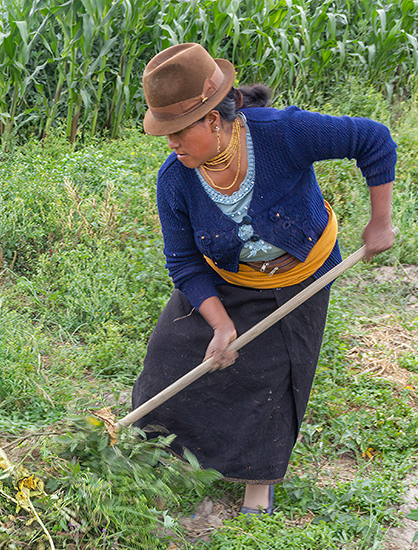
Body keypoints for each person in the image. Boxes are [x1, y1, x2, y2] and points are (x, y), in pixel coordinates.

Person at [133, 42, 397, 515]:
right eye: (165, 132)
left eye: (177, 131)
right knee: (168, 355)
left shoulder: (284, 134)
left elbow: (373, 139)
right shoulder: (174, 179)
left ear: (213, 120)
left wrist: (380, 221)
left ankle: (259, 483)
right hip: (229, 277)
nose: (170, 143)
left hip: (302, 273)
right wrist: (220, 324)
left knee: (272, 372)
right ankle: (151, 455)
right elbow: (184, 263)